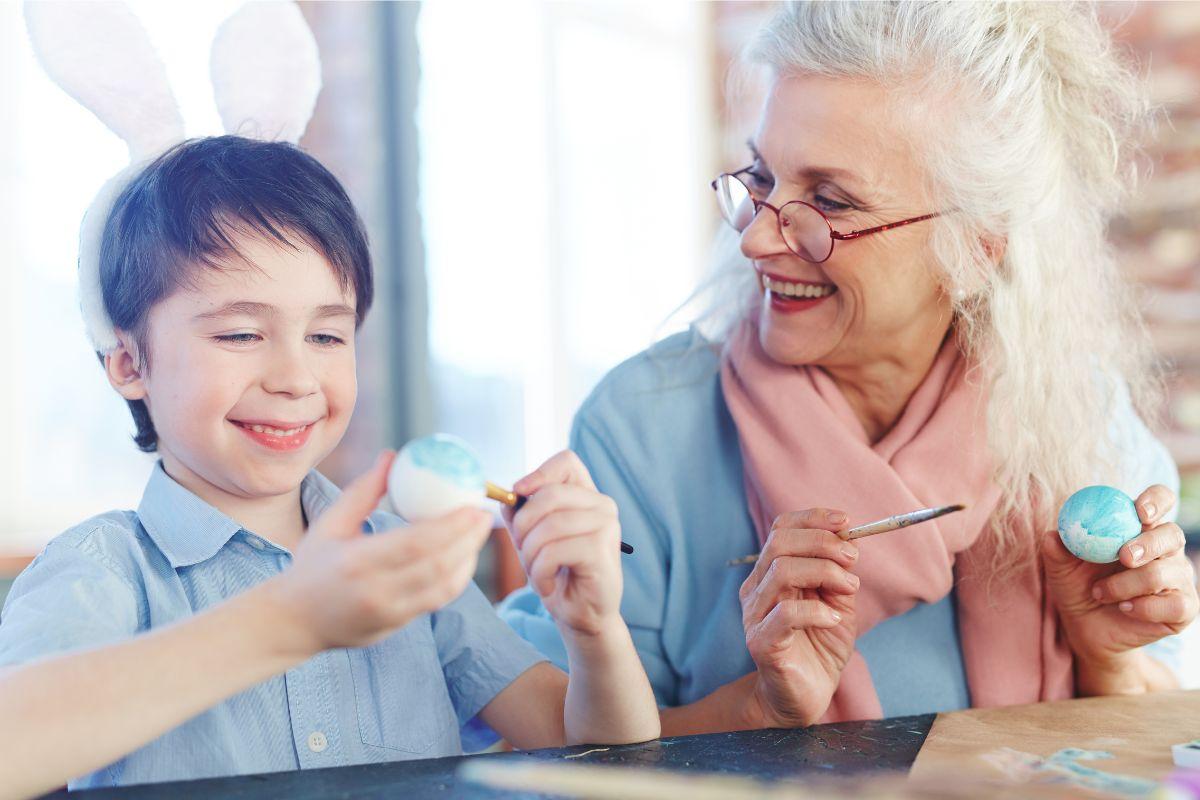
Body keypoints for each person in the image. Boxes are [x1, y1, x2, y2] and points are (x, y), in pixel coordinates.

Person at [501, 1, 1197, 735]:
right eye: (764, 181)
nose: (757, 241)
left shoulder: (1082, 423)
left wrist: (1109, 662)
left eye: (830, 202)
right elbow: (560, 755)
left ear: (980, 245)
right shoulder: (642, 429)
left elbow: (1154, 753)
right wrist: (760, 708)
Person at [0, 136, 658, 794]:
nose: (294, 377)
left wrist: (593, 630)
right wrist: (292, 621)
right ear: (128, 363)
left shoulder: (405, 564)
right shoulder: (99, 571)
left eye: (326, 335)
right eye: (239, 334)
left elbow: (594, 756)